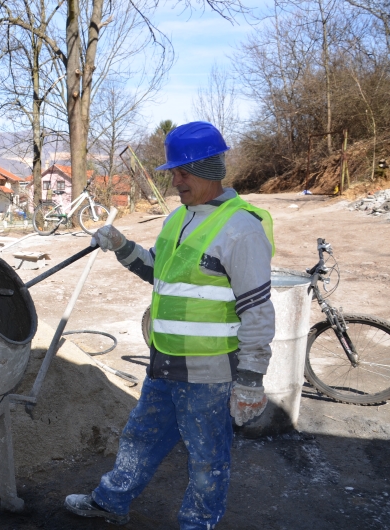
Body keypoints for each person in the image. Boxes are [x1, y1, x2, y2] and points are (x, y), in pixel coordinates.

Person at [65, 121, 275, 529]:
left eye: (182, 172)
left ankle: (197, 524)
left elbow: (258, 310)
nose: (175, 180)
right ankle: (111, 502)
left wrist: (251, 377)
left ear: (210, 170)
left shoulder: (241, 229)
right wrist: (123, 247)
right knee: (140, 438)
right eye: (174, 172)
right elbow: (158, 273)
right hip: (164, 364)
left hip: (208, 373)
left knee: (206, 460)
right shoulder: (177, 219)